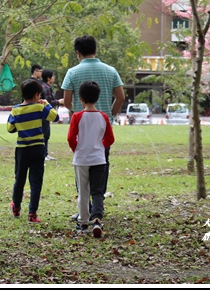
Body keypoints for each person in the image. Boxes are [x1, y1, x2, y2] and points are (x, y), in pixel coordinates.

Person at [61, 35, 125, 220]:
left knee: (81, 168)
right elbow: (120, 97)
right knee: (101, 165)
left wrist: (78, 112)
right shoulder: (111, 71)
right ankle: (98, 207)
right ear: (95, 50)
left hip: (81, 129)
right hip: (103, 129)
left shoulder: (72, 72)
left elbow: (66, 101)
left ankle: (85, 209)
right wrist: (110, 114)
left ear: (77, 53)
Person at [7, 78, 58, 223]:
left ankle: (16, 207)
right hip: (38, 149)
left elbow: (10, 128)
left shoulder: (16, 109)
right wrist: (46, 103)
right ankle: (32, 214)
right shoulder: (40, 107)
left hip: (22, 150)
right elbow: (55, 117)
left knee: (20, 179)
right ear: (37, 95)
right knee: (36, 182)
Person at [67, 81, 115, 238]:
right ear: (97, 97)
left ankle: (83, 223)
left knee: (83, 191)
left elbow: (71, 138)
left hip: (81, 159)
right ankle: (97, 220)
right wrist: (100, 147)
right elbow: (110, 138)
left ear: (80, 98)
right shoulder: (103, 117)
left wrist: (77, 149)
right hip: (99, 159)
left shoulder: (77, 116)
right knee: (97, 192)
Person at [39, 68, 63, 161]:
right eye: (53, 76)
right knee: (45, 134)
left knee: (46, 134)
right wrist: (59, 101)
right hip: (45, 114)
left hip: (45, 114)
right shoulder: (46, 87)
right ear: (49, 78)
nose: (54, 78)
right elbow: (48, 102)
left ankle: (45, 154)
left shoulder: (44, 86)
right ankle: (43, 155)